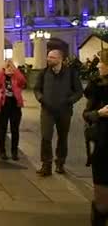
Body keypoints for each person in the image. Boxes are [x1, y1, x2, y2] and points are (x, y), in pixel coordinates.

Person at [34, 49, 83, 176]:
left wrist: (69, 101)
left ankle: (60, 163)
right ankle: (46, 165)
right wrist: (41, 98)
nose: (48, 59)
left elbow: (79, 91)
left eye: (52, 57)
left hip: (64, 111)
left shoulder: (71, 73)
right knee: (46, 137)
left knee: (63, 137)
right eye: (48, 57)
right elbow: (37, 89)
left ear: (60, 59)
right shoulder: (44, 73)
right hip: (47, 110)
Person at [83, 49, 108, 226]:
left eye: (102, 62)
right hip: (104, 147)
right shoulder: (97, 86)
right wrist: (99, 113)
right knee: (102, 204)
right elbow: (86, 114)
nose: (98, 65)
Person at [0, 60, 26, 161]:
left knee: (15, 130)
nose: (9, 69)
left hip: (15, 106)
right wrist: (3, 70)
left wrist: (15, 70)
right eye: (7, 67)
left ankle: (14, 152)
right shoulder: (2, 77)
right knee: (2, 129)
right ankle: (2, 151)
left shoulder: (16, 78)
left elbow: (23, 81)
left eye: (11, 67)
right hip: (3, 106)